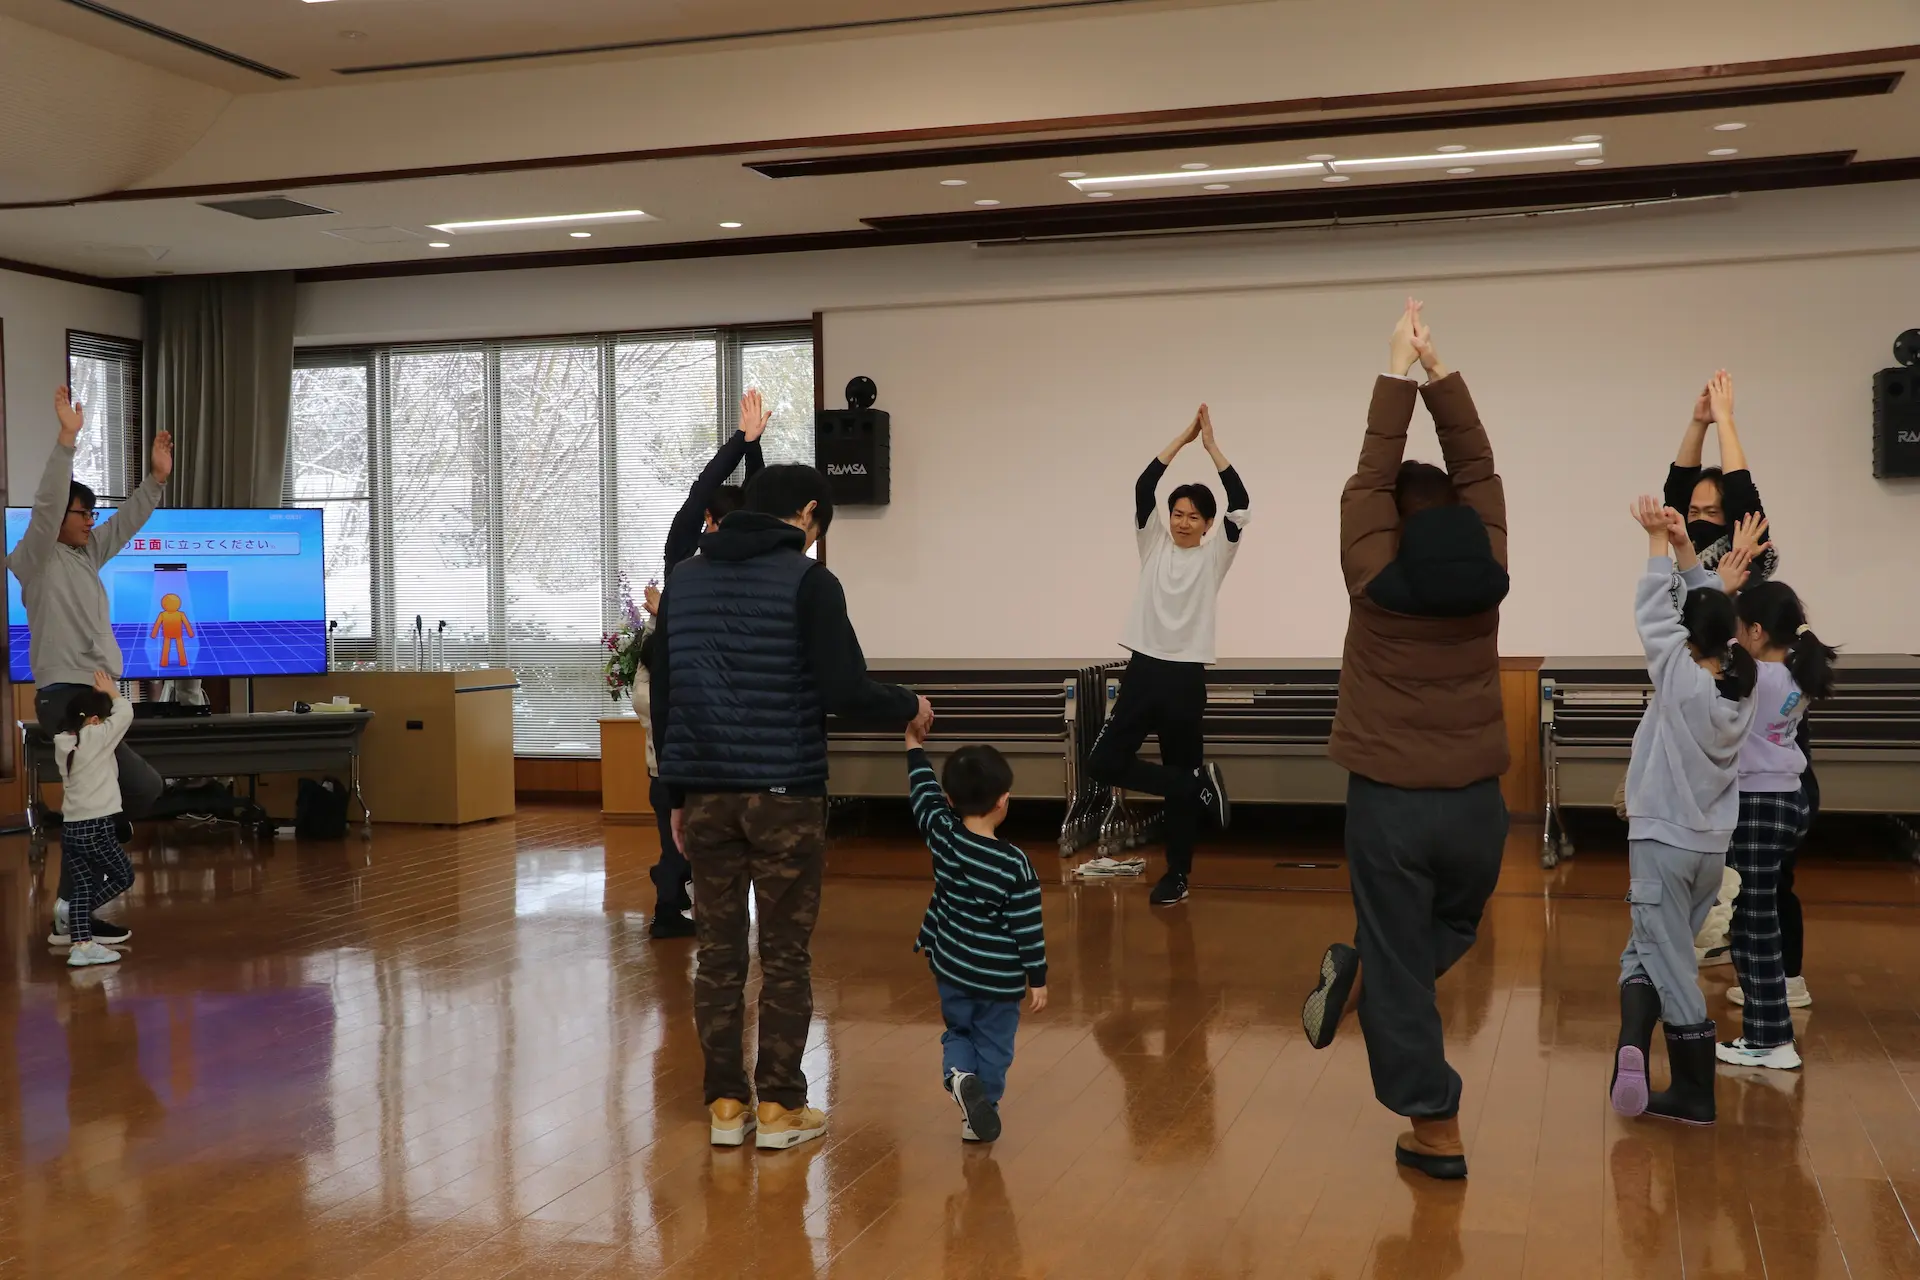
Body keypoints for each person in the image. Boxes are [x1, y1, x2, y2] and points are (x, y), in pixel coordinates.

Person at [650, 463, 926, 1151]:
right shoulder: (810, 582)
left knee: (716, 954)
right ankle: (777, 1108)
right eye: (818, 529)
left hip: (705, 792)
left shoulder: (683, 579)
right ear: (807, 514)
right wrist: (911, 706)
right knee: (784, 955)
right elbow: (844, 687)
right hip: (785, 796)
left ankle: (722, 1106)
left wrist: (677, 795)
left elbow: (667, 694)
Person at [1299, 299, 1511, 1181]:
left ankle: (1436, 1126)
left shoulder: (1373, 576)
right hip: (1477, 807)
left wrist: (1397, 371)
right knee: (1444, 930)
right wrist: (1438, 374)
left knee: (1393, 960)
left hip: (1389, 805)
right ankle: (1371, 979)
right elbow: (1481, 463)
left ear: (1390, 520)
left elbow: (1369, 473)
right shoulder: (1491, 579)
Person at [1609, 499, 1756, 1125]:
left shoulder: (1678, 679)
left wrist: (1652, 544)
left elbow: (1654, 616)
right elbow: (1698, 615)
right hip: (1708, 849)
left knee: (1668, 964)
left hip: (1661, 844)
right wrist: (1685, 553)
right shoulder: (1739, 686)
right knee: (1648, 951)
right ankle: (1631, 1050)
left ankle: (1695, 1092)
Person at [13, 387, 172, 947]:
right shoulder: (35, 558)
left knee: (127, 797)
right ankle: (72, 910)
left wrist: (154, 480)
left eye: (90, 512)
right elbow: (47, 501)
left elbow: (126, 523)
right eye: (83, 512)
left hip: (96, 696)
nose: (91, 520)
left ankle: (67, 911)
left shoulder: (87, 555)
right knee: (135, 789)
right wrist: (67, 439)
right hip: (67, 697)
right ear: (60, 518)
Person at [1087, 404, 1246, 907]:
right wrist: (1182, 438)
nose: (1181, 522)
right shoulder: (1152, 543)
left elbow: (1241, 500)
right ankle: (1194, 785)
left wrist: (1212, 447)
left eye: (1192, 516)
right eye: (1176, 513)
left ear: (1207, 524)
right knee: (1103, 762)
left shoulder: (1217, 554)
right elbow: (1142, 486)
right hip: (1143, 670)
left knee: (1180, 763)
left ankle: (1177, 875)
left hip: (1184, 679)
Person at [639, 390, 771, 936]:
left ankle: (679, 902)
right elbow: (743, 508)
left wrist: (746, 445)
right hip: (695, 712)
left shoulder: (690, 565)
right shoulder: (733, 568)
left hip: (693, 711)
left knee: (685, 812)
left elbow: (719, 501)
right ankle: (678, 903)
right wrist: (748, 446)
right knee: (685, 813)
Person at [904, 732, 1048, 1144]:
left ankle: (959, 1077)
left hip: (950, 969)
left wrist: (914, 745)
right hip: (998, 983)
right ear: (1003, 801)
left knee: (958, 1033)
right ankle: (982, 1107)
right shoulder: (1014, 864)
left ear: (950, 800)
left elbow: (923, 793)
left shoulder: (942, 837)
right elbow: (1028, 928)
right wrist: (1037, 977)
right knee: (995, 1047)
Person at [1717, 581, 1835, 1069]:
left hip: (1757, 802)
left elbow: (1703, 647)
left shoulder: (1758, 676)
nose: (1736, 636)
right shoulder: (1797, 672)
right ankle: (1769, 1034)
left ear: (1758, 631)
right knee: (1755, 914)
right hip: (1789, 800)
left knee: (1755, 923)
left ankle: (1770, 1037)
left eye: (1741, 628)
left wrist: (1716, 588)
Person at [53, 673, 138, 968]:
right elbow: (126, 713)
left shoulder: (64, 742)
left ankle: (82, 946)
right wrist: (113, 693)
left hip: (72, 829)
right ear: (92, 719)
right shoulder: (95, 737)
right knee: (124, 876)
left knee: (84, 885)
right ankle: (76, 918)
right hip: (96, 827)